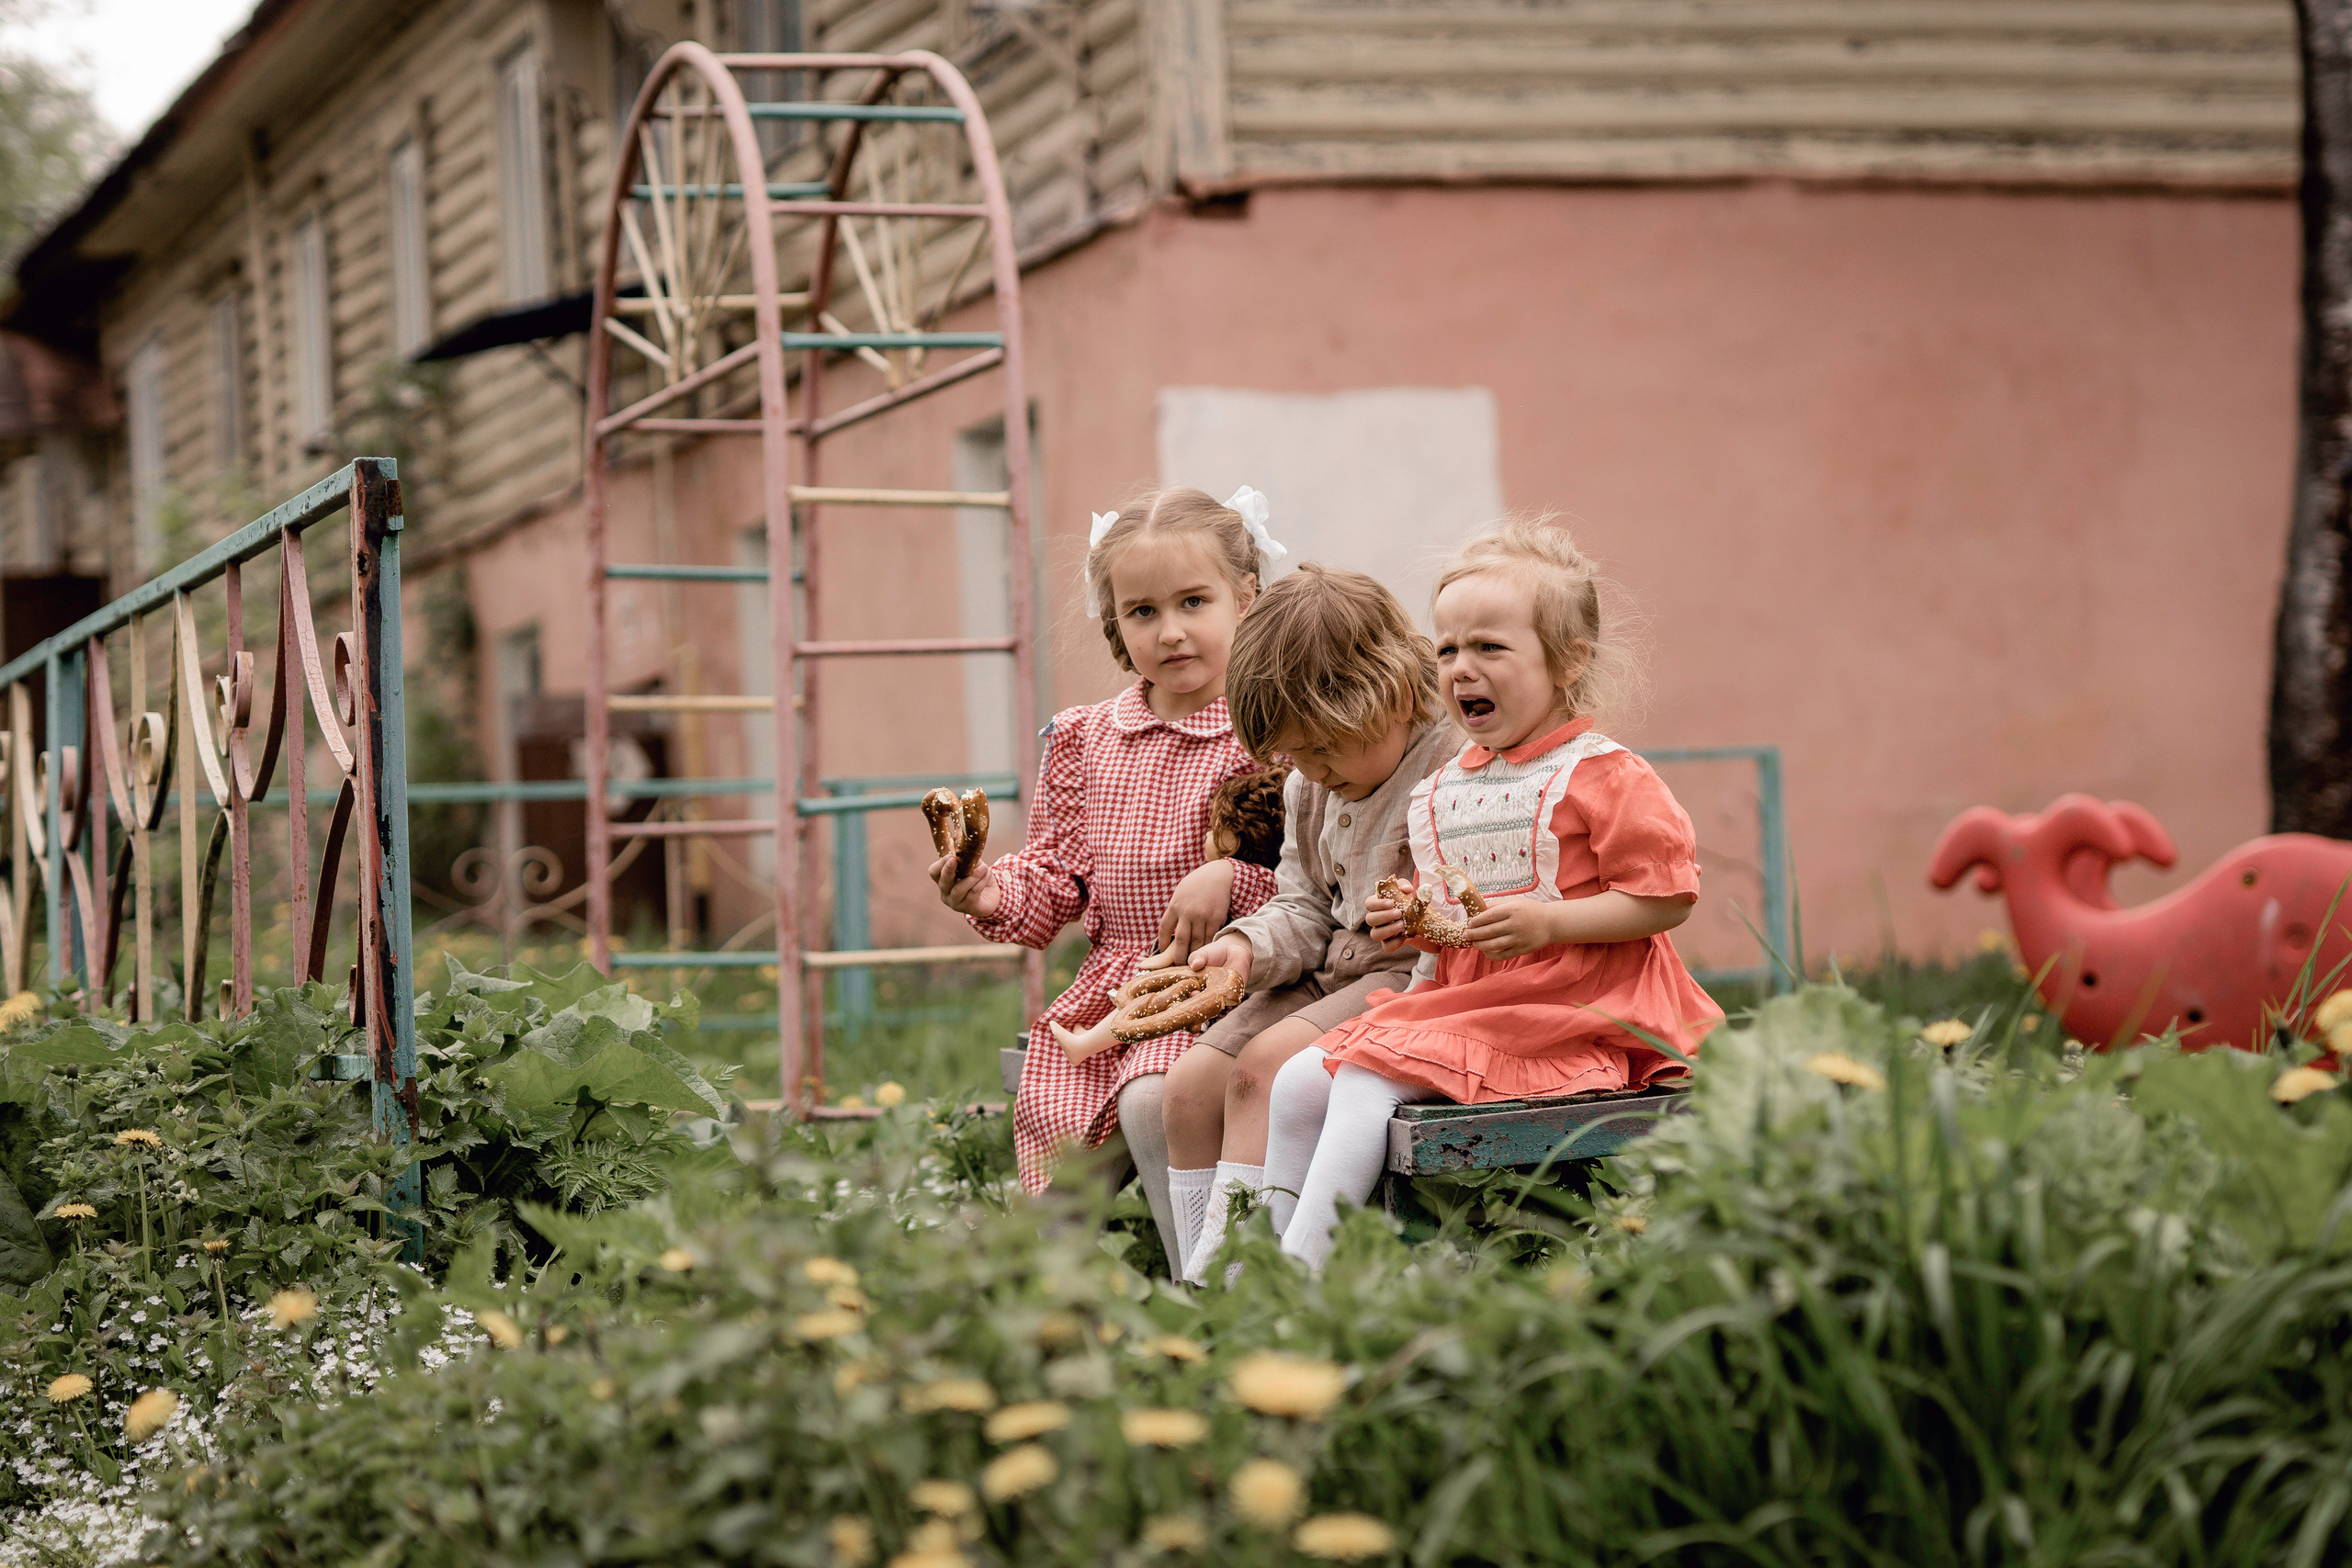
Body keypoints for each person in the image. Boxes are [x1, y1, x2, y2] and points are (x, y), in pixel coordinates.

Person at [1262, 517, 1724, 1269]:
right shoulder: (1448, 785)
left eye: (1489, 647)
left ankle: (1303, 1279)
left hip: (1573, 1003)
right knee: (1294, 1082)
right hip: (1477, 998)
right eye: (1447, 649)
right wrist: (1415, 919)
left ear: (1568, 659)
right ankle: (1252, 1266)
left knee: (1364, 1084)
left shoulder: (1601, 772)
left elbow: (1667, 897)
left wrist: (1550, 924)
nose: (1461, 668)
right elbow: (1457, 919)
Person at [929, 484, 1286, 1254]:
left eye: (1194, 602)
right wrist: (991, 891)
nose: (1171, 631)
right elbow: (1058, 876)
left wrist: (1234, 879)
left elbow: (1313, 877)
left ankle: (1204, 1280)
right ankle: (1054, 1292)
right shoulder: (1088, 738)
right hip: (1114, 991)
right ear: (1115, 623)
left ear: (1246, 595)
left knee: (1152, 1104)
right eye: (1143, 611)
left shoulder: (1274, 727)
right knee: (1060, 1150)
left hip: (1231, 987)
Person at [1159, 564, 1457, 1283]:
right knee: (1190, 1085)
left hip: (1409, 979)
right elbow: (1302, 905)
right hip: (1326, 968)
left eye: (1322, 746)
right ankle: (1197, 1276)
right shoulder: (1309, 786)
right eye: (1295, 753)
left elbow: (1458, 916)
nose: (1311, 769)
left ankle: (1236, 1284)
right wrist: (1243, 946)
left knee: (1262, 1069)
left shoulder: (1449, 767)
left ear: (1391, 694)